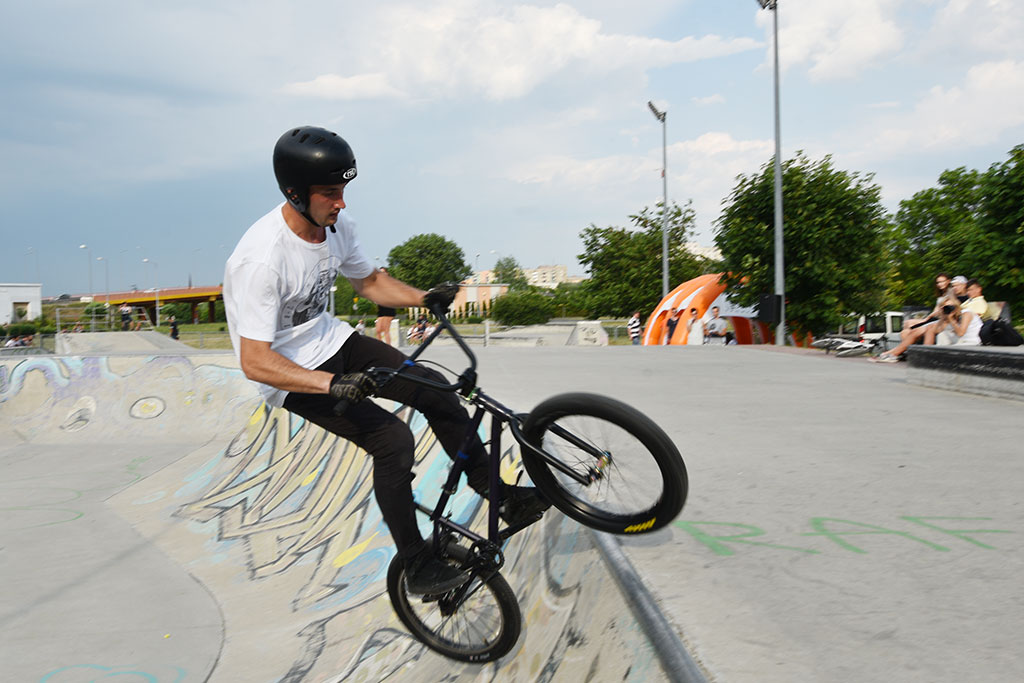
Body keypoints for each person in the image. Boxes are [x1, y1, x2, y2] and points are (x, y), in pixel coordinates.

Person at [223, 126, 549, 596]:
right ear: (295, 194)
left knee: (434, 387)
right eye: (330, 194)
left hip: (332, 340)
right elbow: (254, 361)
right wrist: (330, 385)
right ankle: (416, 563)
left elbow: (370, 282)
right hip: (287, 371)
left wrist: (425, 297)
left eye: (344, 191)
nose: (341, 203)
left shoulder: (335, 228)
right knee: (392, 439)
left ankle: (500, 498)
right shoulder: (260, 260)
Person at [374, 267, 396, 346]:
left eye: (383, 272)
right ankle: (380, 348)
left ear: (387, 274)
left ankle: (389, 349)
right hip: (381, 308)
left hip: (389, 307)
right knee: (378, 330)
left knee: (386, 329)